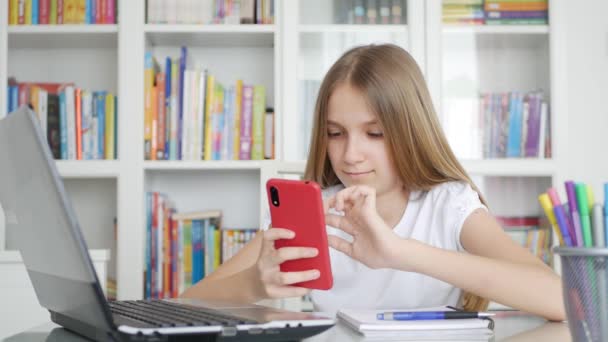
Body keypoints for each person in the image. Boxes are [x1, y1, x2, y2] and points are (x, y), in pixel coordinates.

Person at [181, 44, 565, 321]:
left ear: (410, 131)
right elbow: (185, 304)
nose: (350, 155)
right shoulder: (313, 212)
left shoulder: (448, 204)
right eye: (335, 133)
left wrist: (400, 251)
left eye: (375, 134)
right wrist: (255, 284)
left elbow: (563, 302)